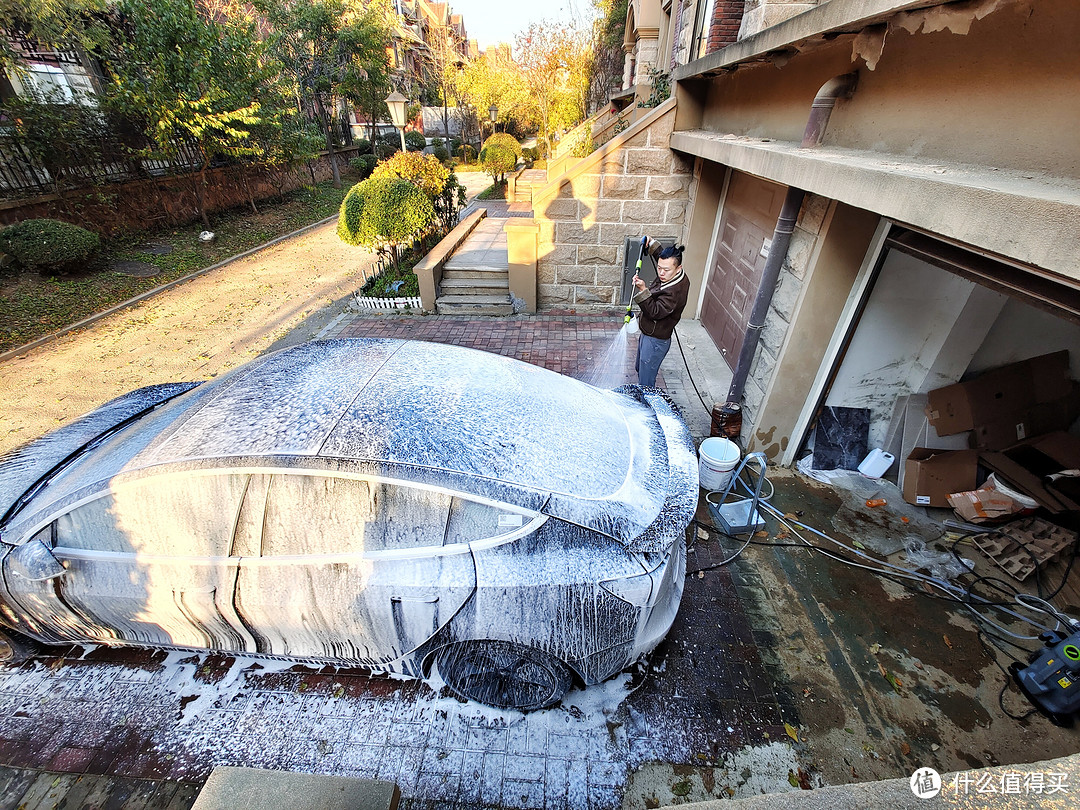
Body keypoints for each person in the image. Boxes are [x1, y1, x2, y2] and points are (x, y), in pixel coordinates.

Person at [632, 243, 690, 388]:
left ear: (678, 269)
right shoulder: (674, 271)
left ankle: (647, 408)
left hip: (655, 340)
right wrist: (651, 243)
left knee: (646, 381)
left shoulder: (674, 292)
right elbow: (662, 256)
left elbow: (655, 312)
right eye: (659, 268)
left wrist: (643, 290)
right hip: (649, 334)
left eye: (666, 270)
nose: (661, 273)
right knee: (641, 368)